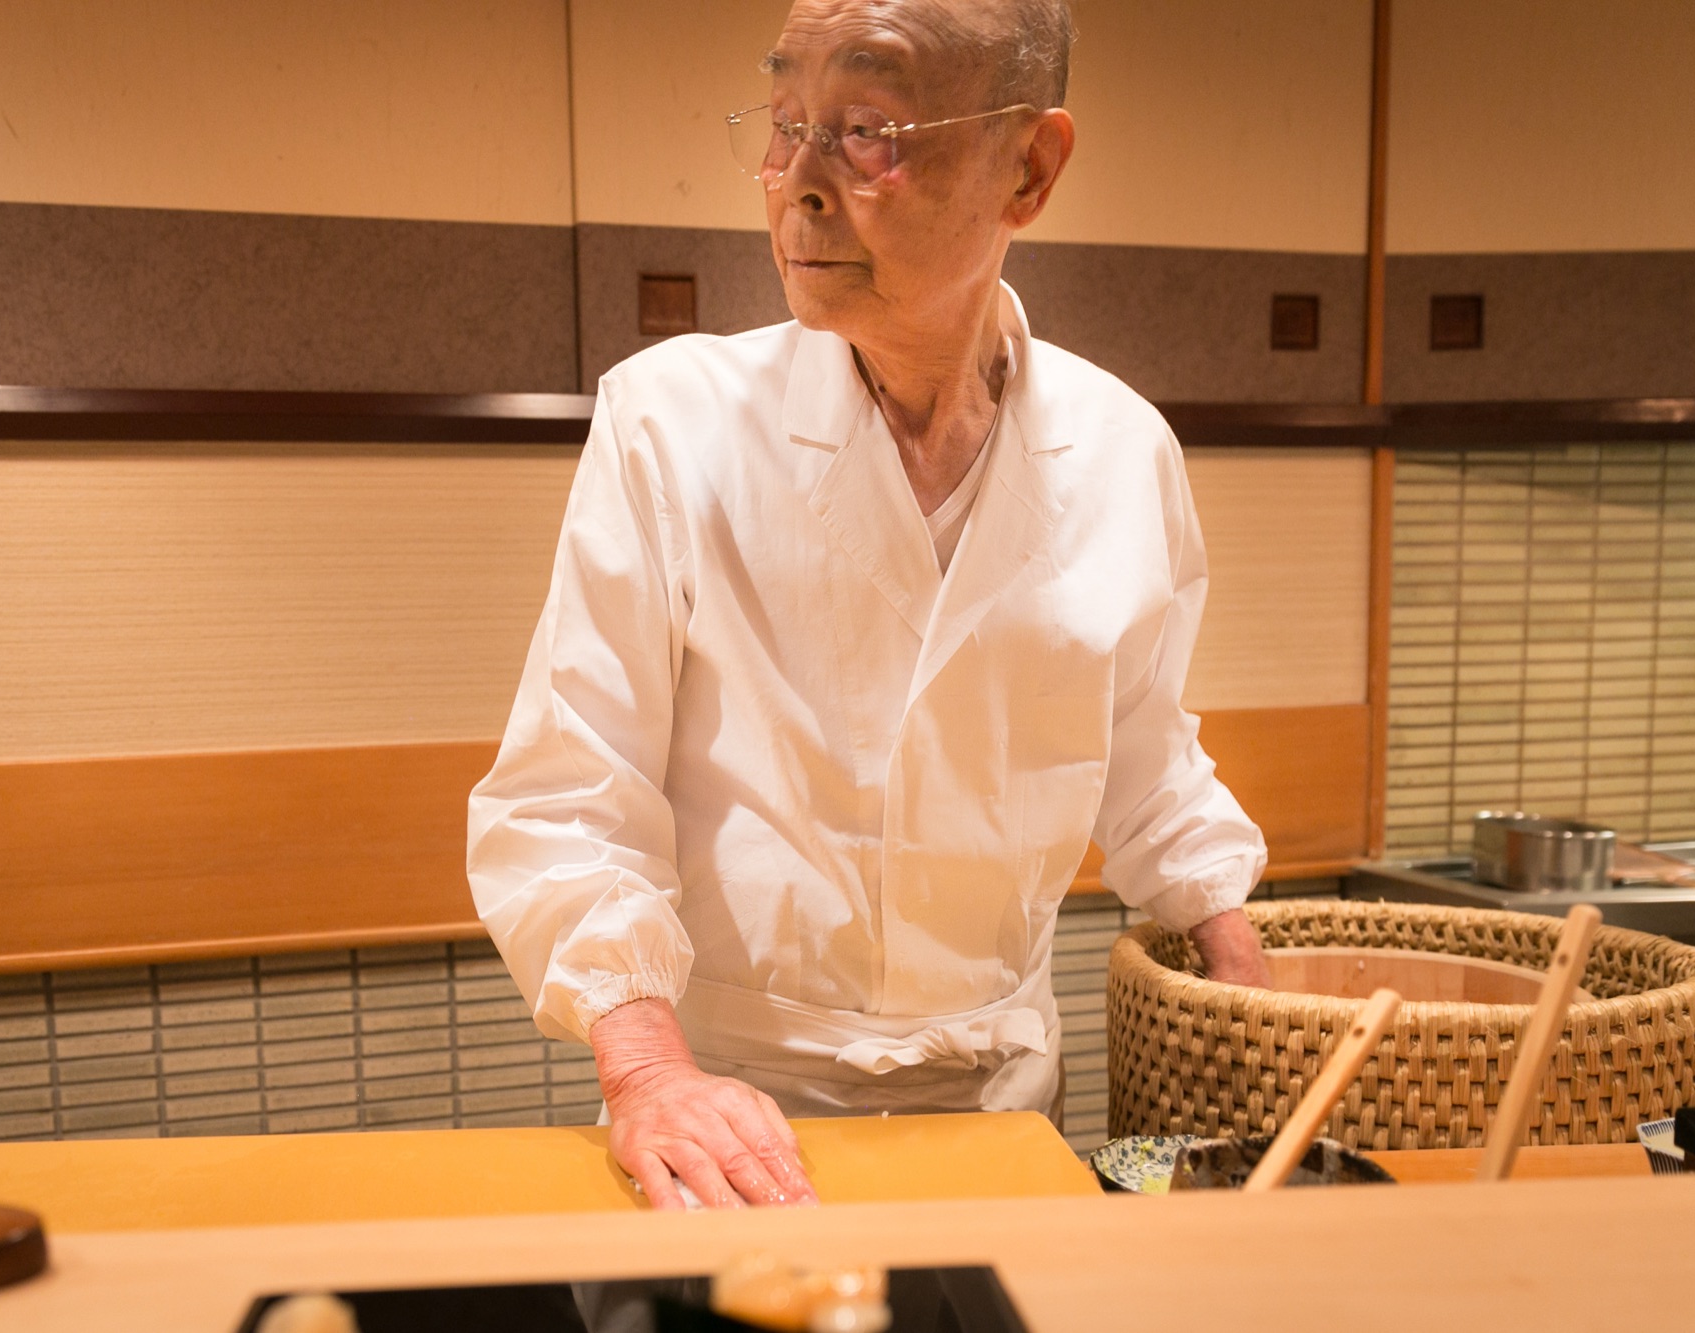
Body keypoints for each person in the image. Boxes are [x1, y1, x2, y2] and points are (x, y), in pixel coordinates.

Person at [468, 0, 1271, 1212]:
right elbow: (569, 795)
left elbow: (1143, 754)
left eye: (863, 129)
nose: (794, 182)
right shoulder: (670, 422)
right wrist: (648, 1075)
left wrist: (1247, 966)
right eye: (783, 122)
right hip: (729, 1124)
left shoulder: (1118, 448)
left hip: (1003, 1115)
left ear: (1029, 169)